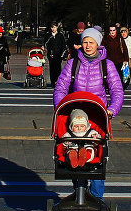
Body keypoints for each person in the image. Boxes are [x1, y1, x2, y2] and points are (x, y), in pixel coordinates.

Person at [53, 26, 124, 198]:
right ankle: (79, 192)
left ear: (98, 44)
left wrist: (112, 110)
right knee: (73, 153)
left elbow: (117, 91)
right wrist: (61, 107)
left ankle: (96, 198)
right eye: (84, 42)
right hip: (76, 116)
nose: (87, 46)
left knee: (97, 157)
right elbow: (60, 88)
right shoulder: (73, 63)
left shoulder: (106, 65)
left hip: (98, 117)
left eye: (91, 42)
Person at [101, 24, 130, 88]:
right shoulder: (106, 38)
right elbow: (102, 49)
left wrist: (126, 60)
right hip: (109, 61)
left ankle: (119, 87)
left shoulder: (119, 37)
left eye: (113, 30)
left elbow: (125, 49)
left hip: (119, 60)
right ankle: (110, 87)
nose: (112, 32)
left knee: (119, 75)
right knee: (110, 75)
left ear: (116, 30)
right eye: (110, 30)